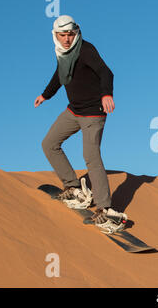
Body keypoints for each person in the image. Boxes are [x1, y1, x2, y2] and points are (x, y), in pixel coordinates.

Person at [34, 15, 126, 233]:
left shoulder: (85, 49)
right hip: (74, 110)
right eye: (62, 35)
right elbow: (60, 75)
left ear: (76, 33)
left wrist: (106, 94)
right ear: (55, 35)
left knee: (91, 156)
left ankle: (105, 209)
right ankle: (74, 187)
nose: (66, 40)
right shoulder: (62, 53)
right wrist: (45, 95)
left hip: (94, 112)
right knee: (49, 143)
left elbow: (106, 72)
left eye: (70, 35)